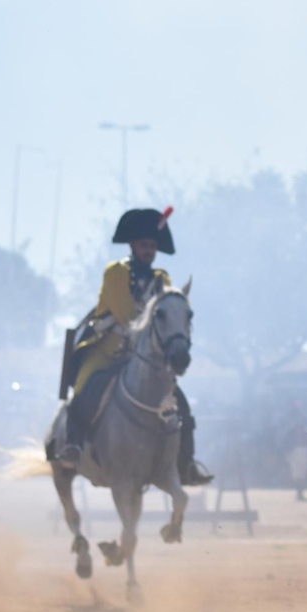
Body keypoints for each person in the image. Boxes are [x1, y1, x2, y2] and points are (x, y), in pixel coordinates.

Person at [59, 207, 211, 485]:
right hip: (107, 351)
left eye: (152, 245)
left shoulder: (162, 278)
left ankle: (187, 463)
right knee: (85, 391)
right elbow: (126, 315)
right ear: (132, 245)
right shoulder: (116, 273)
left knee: (182, 406)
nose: (148, 250)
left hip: (145, 358)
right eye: (143, 245)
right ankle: (72, 445)